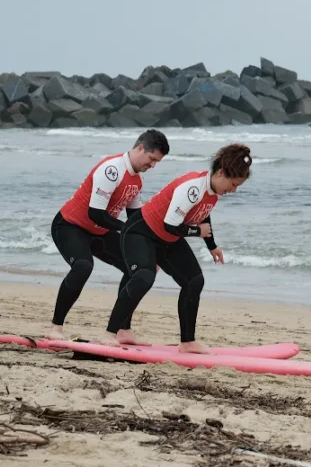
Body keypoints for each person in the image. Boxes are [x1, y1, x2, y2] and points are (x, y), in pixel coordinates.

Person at [101, 143, 252, 351]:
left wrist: (212, 245)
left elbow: (203, 214)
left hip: (165, 237)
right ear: (220, 173)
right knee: (144, 277)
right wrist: (198, 233)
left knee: (194, 281)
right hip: (140, 232)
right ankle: (111, 332)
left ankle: (187, 342)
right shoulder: (192, 187)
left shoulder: (213, 191)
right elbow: (171, 225)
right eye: (233, 184)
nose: (234, 190)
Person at [47, 129, 170, 344]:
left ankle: (123, 330)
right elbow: (96, 213)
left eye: (157, 162)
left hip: (99, 231)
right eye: (152, 159)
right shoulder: (112, 169)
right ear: (140, 148)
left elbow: (134, 220)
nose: (153, 166)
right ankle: (55, 327)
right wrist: (129, 231)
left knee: (140, 268)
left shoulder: (137, 181)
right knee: (83, 266)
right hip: (70, 226)